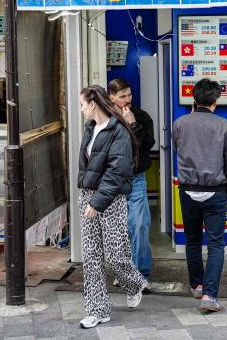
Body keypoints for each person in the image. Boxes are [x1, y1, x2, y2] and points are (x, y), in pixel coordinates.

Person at [77, 85, 146, 329]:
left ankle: (134, 283)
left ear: (93, 103)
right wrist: (87, 198)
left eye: (83, 104)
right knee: (92, 257)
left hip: (112, 199)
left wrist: (97, 202)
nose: (82, 109)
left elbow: (117, 171)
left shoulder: (119, 132)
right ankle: (98, 310)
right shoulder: (89, 129)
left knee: (116, 256)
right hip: (87, 197)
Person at [172, 78, 227, 312]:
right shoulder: (224, 125)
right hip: (216, 192)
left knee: (192, 240)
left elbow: (181, 150)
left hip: (187, 191)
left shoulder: (179, 123)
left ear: (194, 99)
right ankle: (209, 295)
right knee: (216, 244)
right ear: (216, 101)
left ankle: (197, 285)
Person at [108, 78, 156, 283]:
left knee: (139, 225)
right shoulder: (105, 118)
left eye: (129, 95)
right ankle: (124, 271)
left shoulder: (141, 117)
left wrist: (133, 124)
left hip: (136, 178)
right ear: (111, 97)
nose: (127, 99)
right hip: (112, 180)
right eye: (122, 96)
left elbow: (146, 145)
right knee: (119, 229)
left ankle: (141, 273)